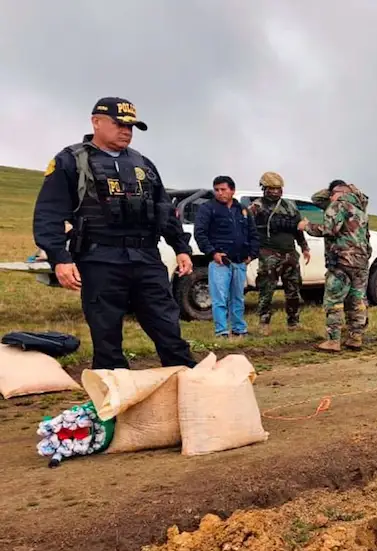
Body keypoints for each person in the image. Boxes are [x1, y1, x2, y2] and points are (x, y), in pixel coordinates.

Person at [32, 96, 197, 371]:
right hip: (100, 259)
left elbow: (164, 209)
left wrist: (181, 247)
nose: (126, 131)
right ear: (96, 122)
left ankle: (189, 389)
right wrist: (59, 257)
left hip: (145, 257)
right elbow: (48, 215)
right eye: (119, 124)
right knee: (107, 335)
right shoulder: (71, 161)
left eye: (131, 126)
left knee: (167, 326)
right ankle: (113, 402)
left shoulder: (142, 163)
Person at [301, 180, 371, 352]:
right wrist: (349, 190)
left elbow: (328, 229)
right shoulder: (360, 209)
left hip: (341, 261)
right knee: (357, 300)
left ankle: (333, 341)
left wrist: (307, 226)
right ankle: (356, 337)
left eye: (331, 194)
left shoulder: (337, 206)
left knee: (334, 300)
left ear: (335, 193)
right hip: (360, 262)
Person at [193, 176, 260, 338]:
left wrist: (252, 254)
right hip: (220, 262)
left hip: (240, 261)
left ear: (232, 190)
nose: (220, 193)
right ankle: (221, 331)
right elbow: (200, 233)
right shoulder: (208, 208)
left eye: (223, 189)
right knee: (219, 299)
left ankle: (239, 329)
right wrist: (213, 253)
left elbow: (253, 233)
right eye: (216, 190)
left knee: (237, 298)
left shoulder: (242, 210)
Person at [248, 171, 311, 336]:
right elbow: (248, 228)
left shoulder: (289, 206)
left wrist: (304, 247)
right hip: (269, 253)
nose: (275, 192)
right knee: (266, 290)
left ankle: (293, 322)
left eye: (277, 188)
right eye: (271, 188)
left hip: (290, 253)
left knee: (293, 289)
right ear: (264, 188)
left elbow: (298, 228)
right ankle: (264, 323)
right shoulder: (257, 207)